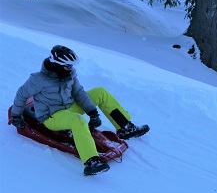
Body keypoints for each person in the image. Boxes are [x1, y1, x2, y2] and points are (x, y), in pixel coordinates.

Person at [10, 45, 149, 176]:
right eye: (68, 66)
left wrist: (93, 113)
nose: (71, 69)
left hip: (68, 107)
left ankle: (125, 127)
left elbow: (79, 93)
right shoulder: (38, 80)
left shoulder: (69, 74)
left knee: (100, 92)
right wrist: (16, 116)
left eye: (71, 66)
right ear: (57, 65)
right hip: (51, 116)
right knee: (77, 119)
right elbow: (21, 94)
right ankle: (91, 161)